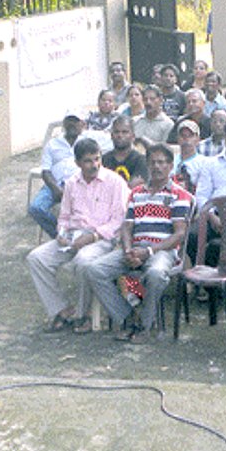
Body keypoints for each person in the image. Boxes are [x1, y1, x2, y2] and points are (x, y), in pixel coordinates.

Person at [82, 144, 190, 343]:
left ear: (170, 166)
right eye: (152, 162)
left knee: (156, 274)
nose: (156, 167)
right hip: (135, 249)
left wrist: (148, 251)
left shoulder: (179, 194)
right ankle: (127, 317)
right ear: (147, 165)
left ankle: (144, 326)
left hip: (162, 251)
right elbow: (126, 226)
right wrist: (128, 250)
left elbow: (179, 234)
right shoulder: (137, 193)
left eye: (161, 163)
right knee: (93, 270)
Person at [27, 139, 128, 333]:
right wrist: (61, 234)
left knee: (83, 261)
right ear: (77, 163)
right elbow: (64, 217)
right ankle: (62, 309)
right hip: (73, 237)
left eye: (97, 159)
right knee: (36, 258)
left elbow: (118, 221)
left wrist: (92, 237)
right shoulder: (72, 183)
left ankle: (84, 315)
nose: (94, 165)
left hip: (101, 239)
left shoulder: (115, 182)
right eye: (88, 161)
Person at [28, 113, 85, 237]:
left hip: (78, 185)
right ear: (64, 123)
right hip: (54, 184)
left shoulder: (86, 143)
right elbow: (45, 171)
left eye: (75, 121)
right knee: (35, 208)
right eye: (69, 120)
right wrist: (56, 189)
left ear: (82, 124)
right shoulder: (52, 144)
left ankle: (73, 237)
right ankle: (60, 235)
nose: (72, 124)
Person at [102, 115, 148, 185]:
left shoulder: (141, 160)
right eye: (116, 132)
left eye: (125, 132)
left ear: (133, 136)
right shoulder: (104, 160)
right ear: (111, 136)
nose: (120, 135)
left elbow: (134, 185)